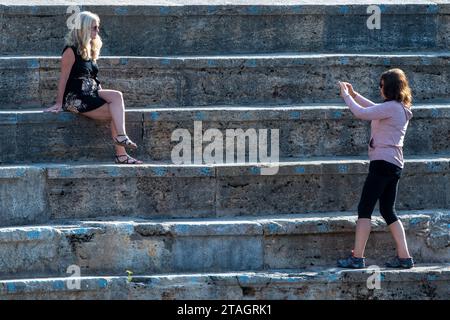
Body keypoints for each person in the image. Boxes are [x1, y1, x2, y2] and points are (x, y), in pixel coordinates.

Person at [337, 68, 415, 269]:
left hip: (381, 163)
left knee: (365, 209)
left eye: (381, 86)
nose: (379, 89)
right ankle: (405, 257)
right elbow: (374, 109)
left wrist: (345, 96)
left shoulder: (391, 108)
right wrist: (355, 95)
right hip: (394, 164)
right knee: (388, 210)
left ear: (388, 87)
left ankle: (358, 258)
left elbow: (362, 113)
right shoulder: (399, 108)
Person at [44, 11, 143, 164]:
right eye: (94, 28)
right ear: (83, 29)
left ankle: (121, 140)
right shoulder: (70, 50)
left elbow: (94, 78)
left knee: (117, 96)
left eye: (98, 27)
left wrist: (101, 93)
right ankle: (121, 154)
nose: (97, 31)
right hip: (76, 98)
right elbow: (63, 78)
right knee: (115, 114)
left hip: (91, 93)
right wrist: (59, 103)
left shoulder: (89, 50)